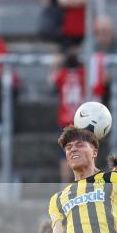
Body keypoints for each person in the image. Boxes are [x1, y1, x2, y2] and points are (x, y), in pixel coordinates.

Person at [50, 46, 85, 182]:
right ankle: (82, 185)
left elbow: (51, 79)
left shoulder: (62, 74)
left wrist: (54, 65)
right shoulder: (83, 74)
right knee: (83, 153)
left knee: (65, 155)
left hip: (65, 121)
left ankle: (65, 185)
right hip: (81, 121)